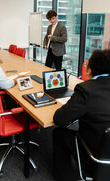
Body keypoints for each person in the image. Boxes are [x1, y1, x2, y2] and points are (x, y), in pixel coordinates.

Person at [52, 49, 110, 181]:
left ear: (90, 69)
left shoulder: (86, 89)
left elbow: (60, 119)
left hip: (95, 159)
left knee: (59, 133)